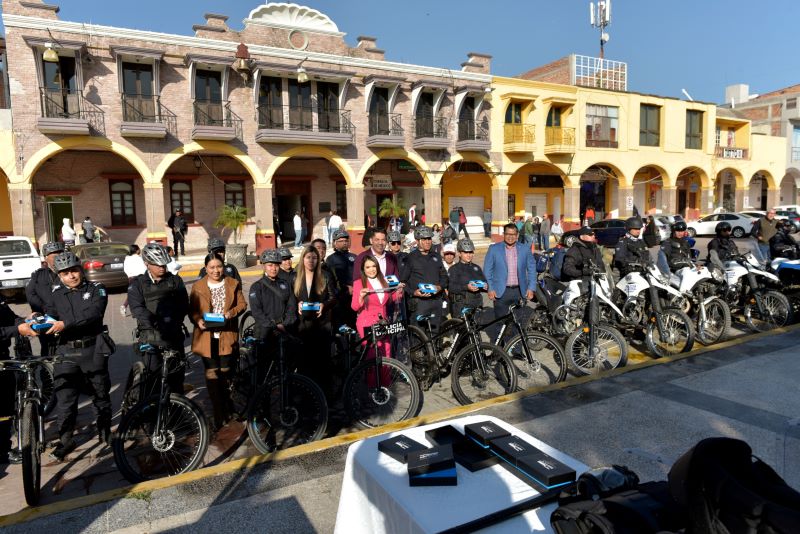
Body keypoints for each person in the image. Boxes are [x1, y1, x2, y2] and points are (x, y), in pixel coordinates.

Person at [45, 251, 114, 460]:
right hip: (65, 350)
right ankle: (66, 440)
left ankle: (105, 434)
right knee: (65, 399)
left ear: (81, 270)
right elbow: (50, 314)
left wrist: (65, 324)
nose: (72, 276)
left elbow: (94, 314)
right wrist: (39, 318)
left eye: (74, 271)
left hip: (92, 349)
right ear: (59, 276)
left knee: (100, 394)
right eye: (66, 273)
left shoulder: (97, 289)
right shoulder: (55, 293)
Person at [189, 254, 246, 430]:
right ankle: (218, 412)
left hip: (226, 334)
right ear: (206, 268)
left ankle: (228, 406)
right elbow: (193, 310)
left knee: (226, 373)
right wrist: (197, 320)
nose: (216, 270)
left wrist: (230, 313)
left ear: (223, 266)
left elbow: (242, 304)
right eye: (212, 267)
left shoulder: (232, 283)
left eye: (219, 266)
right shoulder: (198, 286)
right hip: (207, 336)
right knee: (212, 375)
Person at [128, 243, 190, 395]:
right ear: (147, 263)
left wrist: (172, 321)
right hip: (150, 338)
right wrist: (155, 322)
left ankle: (177, 414)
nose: (162, 267)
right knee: (152, 381)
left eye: (164, 264)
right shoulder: (138, 284)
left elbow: (183, 304)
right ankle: (150, 414)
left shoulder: (176, 281)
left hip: (173, 336)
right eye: (157, 264)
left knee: (176, 380)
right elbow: (137, 309)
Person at [293, 246, 337, 396]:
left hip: (322, 325)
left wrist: (324, 305)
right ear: (302, 259)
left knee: (323, 363)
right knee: (304, 362)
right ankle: (305, 396)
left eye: (314, 257)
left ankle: (325, 396)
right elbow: (289, 300)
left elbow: (333, 297)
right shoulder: (295, 277)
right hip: (303, 326)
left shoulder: (325, 275)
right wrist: (296, 304)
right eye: (308, 257)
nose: (311, 261)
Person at [0, 301, 38, 464]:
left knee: (5, 409)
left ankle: (3, 450)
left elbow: (10, 318)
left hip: (3, 358)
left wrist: (25, 320)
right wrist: (16, 329)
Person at [352, 256, 405, 369]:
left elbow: (387, 299)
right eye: (368, 267)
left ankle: (385, 384)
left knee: (386, 353)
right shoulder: (359, 283)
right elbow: (354, 307)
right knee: (373, 355)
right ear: (363, 269)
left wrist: (399, 291)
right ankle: (373, 385)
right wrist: (361, 296)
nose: (371, 269)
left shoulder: (384, 281)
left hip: (383, 322)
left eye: (374, 266)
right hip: (366, 323)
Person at [484, 223, 537, 321]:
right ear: (504, 234)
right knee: (500, 322)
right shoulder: (494, 249)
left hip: (520, 291)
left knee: (520, 322)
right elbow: (487, 270)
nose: (510, 237)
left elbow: (532, 269)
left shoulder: (525, 249)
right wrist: (490, 288)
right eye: (508, 234)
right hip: (501, 292)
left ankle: (516, 337)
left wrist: (531, 288)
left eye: (513, 234)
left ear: (517, 236)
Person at [400, 226, 448, 332]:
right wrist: (414, 292)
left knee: (435, 335)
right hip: (419, 303)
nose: (427, 241)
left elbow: (444, 277)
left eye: (429, 239)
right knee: (418, 337)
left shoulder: (436, 256)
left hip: (436, 301)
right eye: (424, 239)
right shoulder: (410, 258)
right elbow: (403, 282)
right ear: (417, 241)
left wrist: (439, 287)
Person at [249, 249, 297, 341]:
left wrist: (286, 323)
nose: (274, 269)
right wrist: (274, 326)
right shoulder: (256, 287)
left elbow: (292, 306)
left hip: (285, 329)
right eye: (270, 265)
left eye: (276, 265)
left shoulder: (285, 284)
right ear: (263, 266)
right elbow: (257, 312)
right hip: (265, 331)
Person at [26, 241, 64, 356]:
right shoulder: (38, 275)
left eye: (60, 254)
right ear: (46, 258)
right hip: (45, 318)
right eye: (53, 256)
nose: (57, 258)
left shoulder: (69, 273)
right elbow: (31, 294)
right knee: (47, 348)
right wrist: (44, 309)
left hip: (65, 318)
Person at [326, 229, 357, 328]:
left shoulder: (354, 257)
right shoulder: (330, 259)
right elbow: (331, 279)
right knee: (342, 327)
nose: (344, 243)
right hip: (340, 298)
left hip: (355, 297)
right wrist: (345, 288)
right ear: (335, 243)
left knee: (354, 325)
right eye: (340, 241)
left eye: (346, 241)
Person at [447, 239, 486, 314]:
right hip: (461, 307)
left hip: (477, 305)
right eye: (465, 252)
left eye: (471, 252)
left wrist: (485, 286)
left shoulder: (476, 268)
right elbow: (451, 287)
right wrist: (466, 287)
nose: (469, 255)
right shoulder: (453, 269)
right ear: (459, 253)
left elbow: (483, 281)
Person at [121, 244, 146, 317]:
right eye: (139, 249)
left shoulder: (127, 259)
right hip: (140, 277)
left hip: (130, 278)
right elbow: (144, 269)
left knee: (132, 293)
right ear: (137, 250)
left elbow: (125, 269)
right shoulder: (139, 258)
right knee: (141, 293)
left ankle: (125, 306)